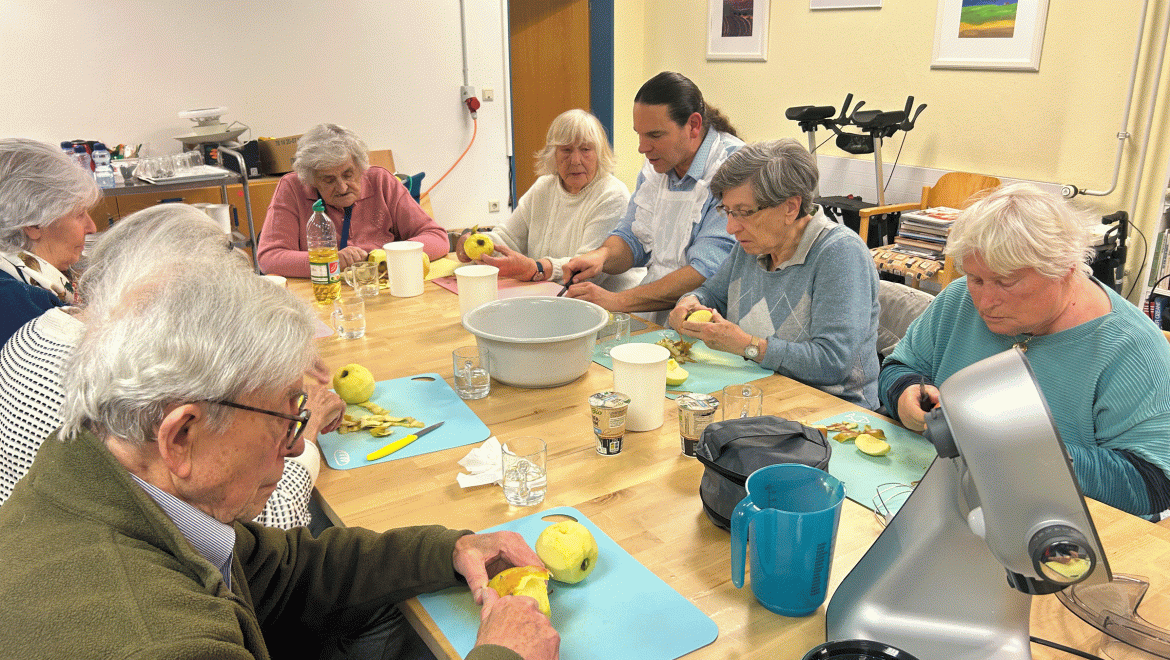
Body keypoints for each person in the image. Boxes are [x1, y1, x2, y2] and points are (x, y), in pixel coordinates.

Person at [0, 263, 558, 660]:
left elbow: (286, 571)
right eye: (285, 417)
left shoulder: (113, 479)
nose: (296, 446)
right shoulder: (156, 639)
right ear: (182, 436)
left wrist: (448, 548)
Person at [0, 204, 346, 531]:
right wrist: (304, 428)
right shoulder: (127, 378)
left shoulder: (42, 329)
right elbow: (271, 524)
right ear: (172, 294)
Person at [880, 183, 1170, 518]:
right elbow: (897, 368)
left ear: (1064, 270)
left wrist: (1025, 452)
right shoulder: (959, 300)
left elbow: (1153, 485)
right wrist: (904, 395)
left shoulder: (1131, 350)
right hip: (945, 503)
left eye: (1006, 282)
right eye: (976, 279)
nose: (984, 302)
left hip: (1062, 531)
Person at [668, 139, 880, 409]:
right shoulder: (753, 246)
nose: (731, 227)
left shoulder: (840, 253)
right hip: (761, 392)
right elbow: (712, 294)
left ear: (791, 207)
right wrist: (690, 301)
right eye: (727, 211)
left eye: (744, 213)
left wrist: (747, 345)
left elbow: (832, 362)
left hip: (830, 411)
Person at [562, 71, 744, 324]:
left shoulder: (732, 169)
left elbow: (706, 272)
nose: (642, 147)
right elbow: (632, 238)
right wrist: (601, 257)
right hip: (655, 308)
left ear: (693, 125)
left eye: (655, 136)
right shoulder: (657, 168)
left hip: (706, 318)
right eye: (640, 134)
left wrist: (617, 301)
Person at [455, 109, 638, 289]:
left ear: (599, 154)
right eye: (566, 150)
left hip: (608, 307)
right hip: (550, 293)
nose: (575, 160)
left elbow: (587, 273)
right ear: (553, 154)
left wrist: (538, 269)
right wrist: (478, 244)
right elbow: (508, 238)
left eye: (585, 149)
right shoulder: (544, 187)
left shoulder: (612, 195)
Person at [257, 123, 450, 277]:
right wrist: (329, 260)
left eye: (348, 174)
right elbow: (269, 258)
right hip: (322, 292)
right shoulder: (292, 187)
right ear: (312, 179)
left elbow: (437, 238)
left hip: (379, 288)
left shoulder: (380, 180)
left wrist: (386, 256)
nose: (342, 187)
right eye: (329, 179)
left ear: (360, 167)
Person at [0, 137, 99, 342]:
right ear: (33, 223)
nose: (92, 228)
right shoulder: (21, 303)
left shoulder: (27, 280)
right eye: (79, 214)